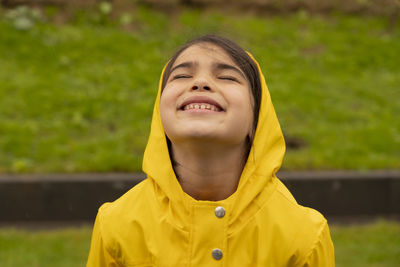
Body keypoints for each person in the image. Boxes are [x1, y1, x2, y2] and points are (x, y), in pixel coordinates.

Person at [87, 35, 335, 266]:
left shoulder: (303, 235)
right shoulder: (116, 226)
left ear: (257, 120)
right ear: (159, 114)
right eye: (181, 76)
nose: (201, 82)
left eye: (227, 77)